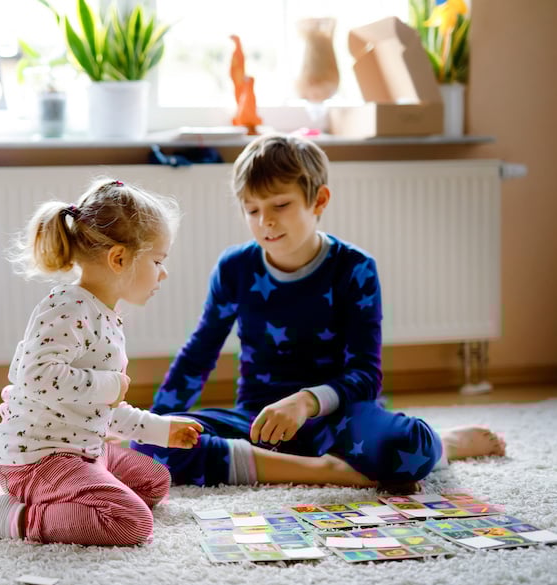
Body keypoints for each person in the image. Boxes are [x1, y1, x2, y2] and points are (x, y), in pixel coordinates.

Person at [131, 134, 505, 489]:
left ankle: (446, 444)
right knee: (149, 449)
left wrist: (305, 401)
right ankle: (333, 471)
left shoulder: (355, 268)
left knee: (408, 447)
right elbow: (200, 353)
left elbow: (366, 375)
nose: (266, 222)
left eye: (280, 205)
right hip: (258, 422)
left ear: (319, 200)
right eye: (252, 210)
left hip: (339, 420)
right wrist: (156, 422)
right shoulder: (235, 268)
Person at [0, 179, 203, 546]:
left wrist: (160, 429)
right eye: (157, 261)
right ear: (119, 259)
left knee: (155, 482)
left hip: (82, 448)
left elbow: (94, 409)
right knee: (130, 523)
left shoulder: (105, 315)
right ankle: (14, 516)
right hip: (38, 461)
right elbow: (38, 377)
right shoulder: (68, 307)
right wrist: (109, 385)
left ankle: (80, 493)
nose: (163, 273)